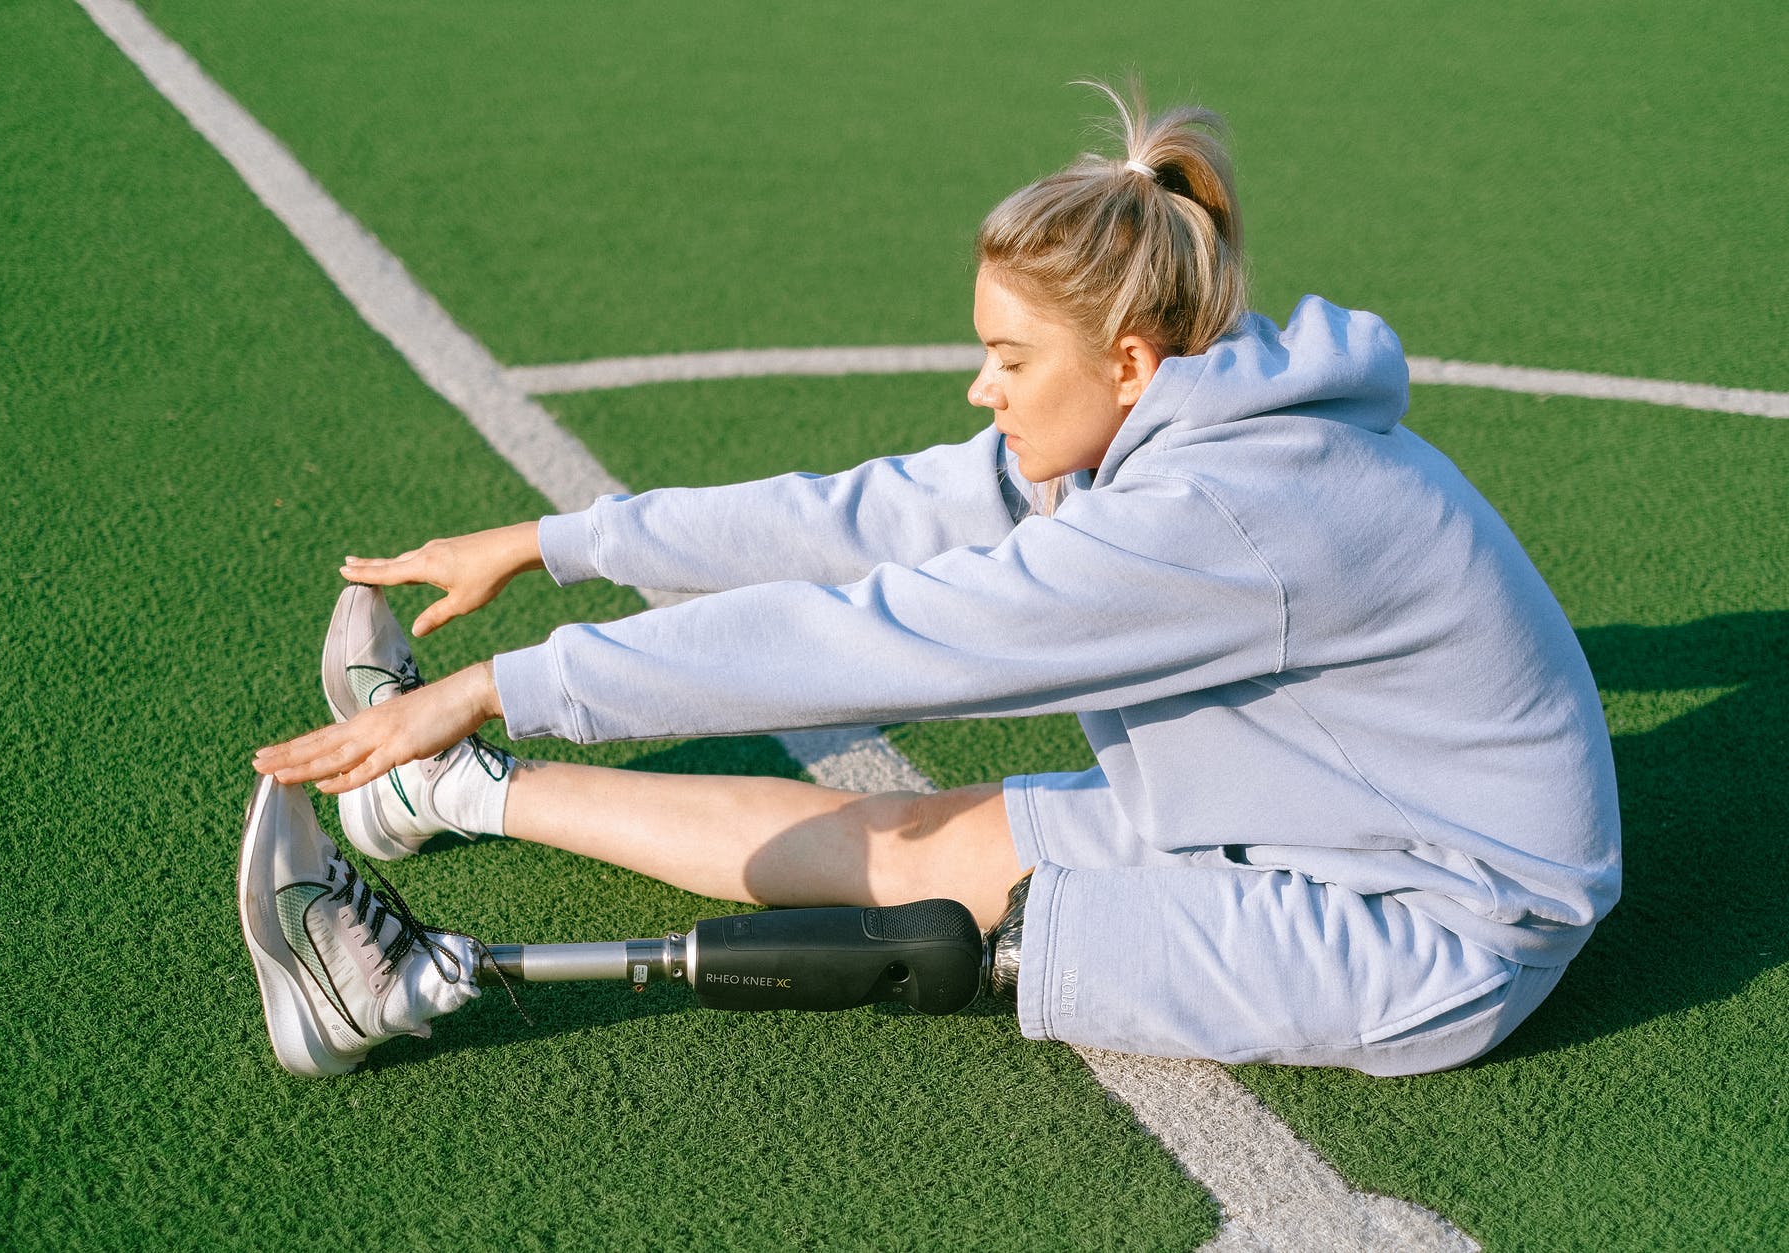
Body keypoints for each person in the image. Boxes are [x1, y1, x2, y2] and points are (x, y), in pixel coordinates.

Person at [244, 84, 1620, 1079]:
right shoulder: (1180, 415)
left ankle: (405, 979)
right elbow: (872, 520)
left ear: (1126, 364)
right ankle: (451, 792)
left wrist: (512, 680)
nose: (981, 387)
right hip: (1322, 815)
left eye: (1010, 361)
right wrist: (562, 544)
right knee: (922, 840)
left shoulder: (1219, 513)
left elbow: (882, 641)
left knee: (973, 914)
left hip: (1443, 922)